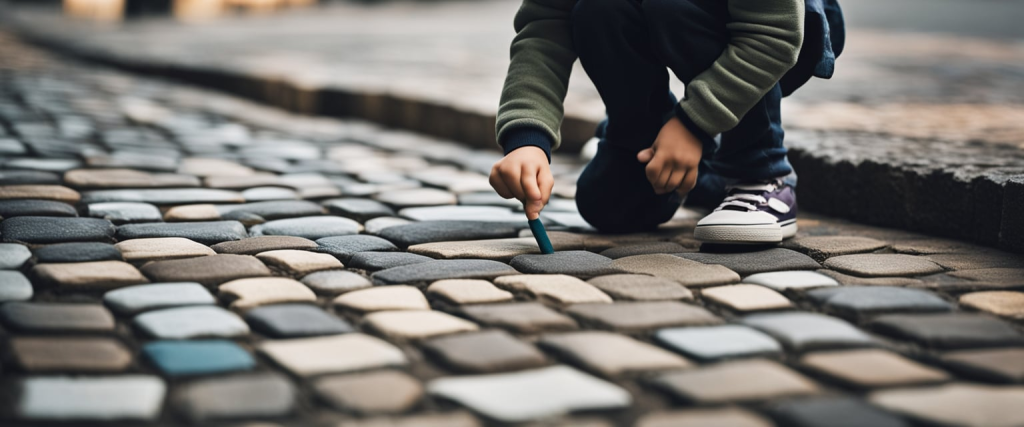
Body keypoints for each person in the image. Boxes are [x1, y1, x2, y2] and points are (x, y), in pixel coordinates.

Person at [488, 0, 844, 244]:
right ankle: (657, 153)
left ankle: (760, 171)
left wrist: (692, 125)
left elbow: (774, 34)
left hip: (780, 31)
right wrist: (528, 139)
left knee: (670, 5)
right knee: (607, 204)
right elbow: (546, 26)